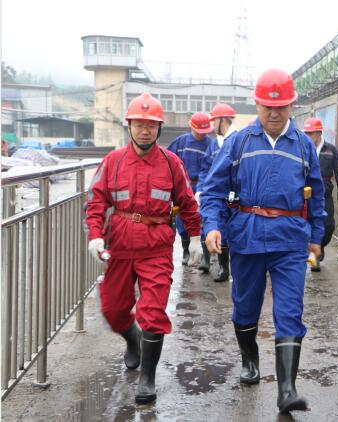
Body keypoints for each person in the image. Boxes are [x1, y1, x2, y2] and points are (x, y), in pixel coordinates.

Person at [199, 69, 325, 413]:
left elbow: (316, 196)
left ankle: (287, 391)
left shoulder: (303, 146)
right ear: (256, 105)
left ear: (291, 105)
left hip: (290, 240)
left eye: (281, 106)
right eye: (268, 107)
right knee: (245, 307)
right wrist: (213, 226)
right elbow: (213, 190)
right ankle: (250, 358)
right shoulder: (239, 142)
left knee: (290, 310)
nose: (274, 113)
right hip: (247, 237)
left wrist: (316, 236)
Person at [85, 93, 202, 404]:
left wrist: (196, 237)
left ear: (159, 128)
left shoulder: (171, 163)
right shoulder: (113, 161)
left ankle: (147, 378)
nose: (145, 130)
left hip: (156, 249)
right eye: (139, 124)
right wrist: (95, 235)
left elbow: (188, 203)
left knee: (152, 312)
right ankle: (132, 340)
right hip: (120, 246)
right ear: (129, 126)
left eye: (151, 125)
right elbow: (95, 202)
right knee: (113, 309)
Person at [167, 112, 214, 271]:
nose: (201, 135)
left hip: (202, 186)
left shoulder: (211, 144)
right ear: (191, 127)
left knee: (203, 218)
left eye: (204, 132)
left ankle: (204, 256)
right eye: (199, 131)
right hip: (182, 186)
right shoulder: (181, 142)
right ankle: (186, 251)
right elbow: (168, 160)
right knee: (182, 219)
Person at [197, 103, 238, 280]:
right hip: (215, 195)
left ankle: (229, 268)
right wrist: (200, 190)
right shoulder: (214, 145)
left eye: (214, 121)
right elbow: (205, 169)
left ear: (223, 120)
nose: (212, 126)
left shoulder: (237, 141)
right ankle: (222, 267)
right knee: (215, 227)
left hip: (232, 197)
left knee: (229, 231)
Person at [302, 117, 338, 272]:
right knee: (308, 224)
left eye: (311, 133)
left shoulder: (330, 150)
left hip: (325, 193)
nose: (308, 136)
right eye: (306, 133)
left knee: (328, 226)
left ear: (319, 133)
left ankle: (320, 247)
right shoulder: (302, 148)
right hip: (306, 194)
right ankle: (313, 256)